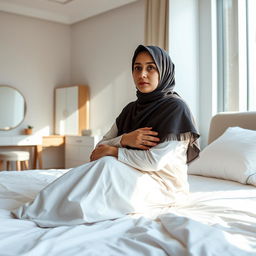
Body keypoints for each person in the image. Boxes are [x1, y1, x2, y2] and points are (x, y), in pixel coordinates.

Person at [12, 45, 200, 227]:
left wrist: (113, 151)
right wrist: (124, 139)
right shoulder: (130, 110)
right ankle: (43, 205)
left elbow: (154, 162)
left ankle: (57, 212)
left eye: (151, 68)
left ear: (164, 71)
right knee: (102, 164)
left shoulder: (176, 108)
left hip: (164, 186)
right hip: (133, 171)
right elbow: (98, 148)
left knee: (107, 164)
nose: (142, 74)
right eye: (137, 68)